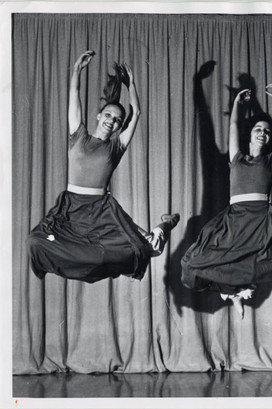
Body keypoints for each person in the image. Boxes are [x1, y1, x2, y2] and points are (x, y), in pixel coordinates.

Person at [27, 50, 179, 283]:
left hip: (101, 210)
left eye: (117, 119)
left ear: (119, 126)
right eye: (108, 114)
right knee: (36, 242)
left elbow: (136, 112)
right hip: (70, 208)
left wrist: (132, 86)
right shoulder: (78, 136)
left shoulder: (116, 147)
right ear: (98, 116)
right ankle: (159, 230)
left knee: (147, 250)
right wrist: (77, 70)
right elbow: (74, 94)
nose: (112, 120)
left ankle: (166, 225)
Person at [181, 84, 272, 318]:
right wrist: (237, 103)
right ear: (250, 133)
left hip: (260, 217)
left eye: (267, 131)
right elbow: (234, 125)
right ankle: (232, 292)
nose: (262, 133)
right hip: (235, 216)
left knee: (264, 261)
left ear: (270, 139)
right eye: (258, 128)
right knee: (198, 261)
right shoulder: (236, 157)